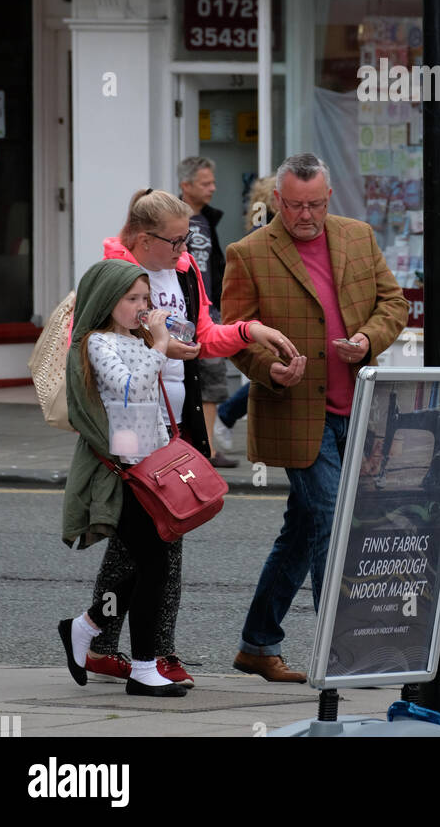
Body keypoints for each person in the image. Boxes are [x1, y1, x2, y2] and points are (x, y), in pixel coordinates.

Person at [84, 188, 298, 687]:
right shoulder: (113, 273)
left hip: (177, 422)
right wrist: (159, 345)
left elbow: (202, 336)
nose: (184, 252)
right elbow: (95, 347)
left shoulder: (183, 271)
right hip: (132, 424)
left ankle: (96, 637)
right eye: (175, 242)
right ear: (141, 238)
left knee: (142, 538)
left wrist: (248, 332)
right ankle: (154, 652)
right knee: (162, 532)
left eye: (187, 241)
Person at [221, 152, 408, 682]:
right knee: (333, 521)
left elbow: (393, 304)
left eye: (317, 205)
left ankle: (257, 644)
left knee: (302, 532)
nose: (307, 215)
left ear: (330, 198)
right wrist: (268, 368)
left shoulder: (357, 236)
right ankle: (345, 653)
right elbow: (234, 333)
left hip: (361, 409)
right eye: (297, 205)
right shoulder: (249, 253)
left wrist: (368, 339)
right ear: (277, 200)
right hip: (298, 414)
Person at [59, 259, 188, 698]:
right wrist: (161, 344)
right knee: (151, 562)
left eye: (145, 299)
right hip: (122, 469)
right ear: (106, 301)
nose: (141, 307)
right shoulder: (98, 343)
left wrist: (161, 342)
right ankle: (144, 667)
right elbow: (130, 387)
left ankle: (87, 624)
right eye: (131, 299)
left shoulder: (138, 339)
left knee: (148, 561)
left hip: (151, 463)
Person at [212, 175, 277, 455]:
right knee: (269, 376)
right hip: (264, 314)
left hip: (265, 313)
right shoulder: (262, 233)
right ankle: (225, 415)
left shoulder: (264, 227)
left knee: (272, 376)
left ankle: (226, 416)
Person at [178, 155, 236, 468]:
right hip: (180, 312)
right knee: (181, 379)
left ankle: (209, 449)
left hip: (209, 311)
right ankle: (186, 448)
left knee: (213, 381)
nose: (213, 188)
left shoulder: (209, 220)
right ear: (185, 185)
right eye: (205, 183)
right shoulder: (171, 218)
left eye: (213, 182)